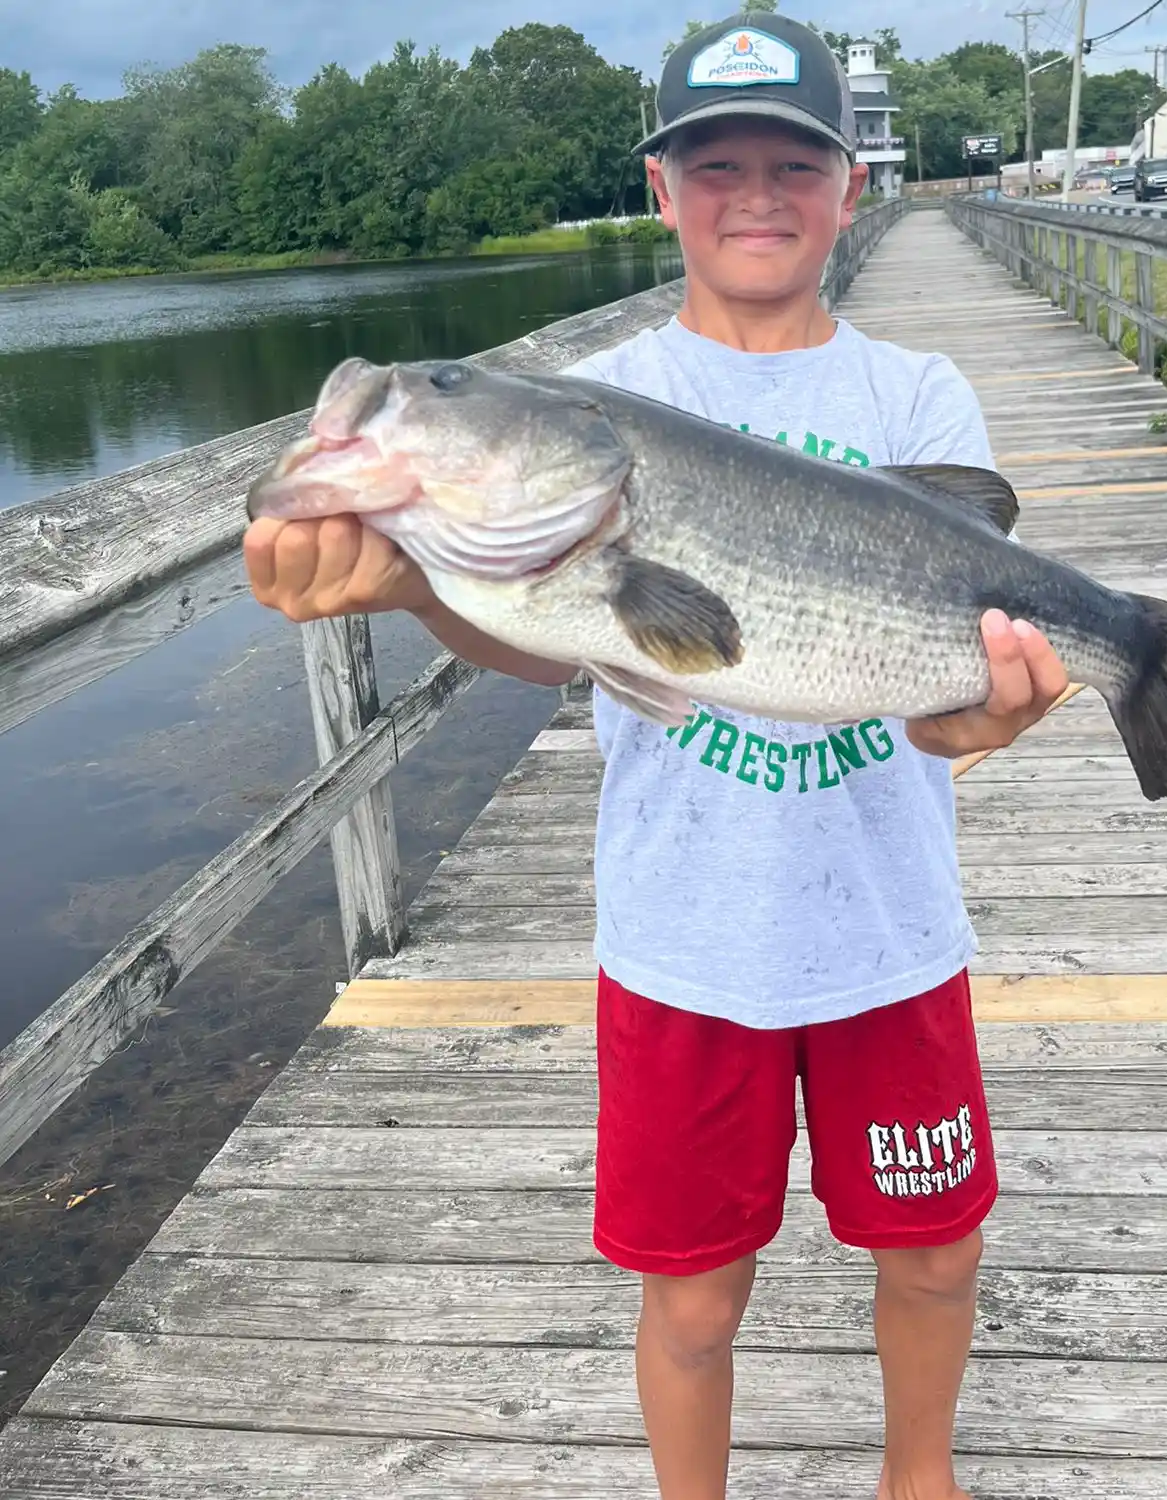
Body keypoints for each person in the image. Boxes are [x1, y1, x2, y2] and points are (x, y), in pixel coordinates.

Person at [243, 14, 1069, 1499]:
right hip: (685, 944)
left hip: (892, 933)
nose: (756, 194)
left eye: (792, 165)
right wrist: (420, 582)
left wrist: (987, 715)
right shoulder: (608, 389)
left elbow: (950, 712)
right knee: (692, 1292)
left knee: (936, 1250)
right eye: (717, 166)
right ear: (662, 187)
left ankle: (920, 1478)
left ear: (852, 188)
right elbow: (570, 637)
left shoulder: (916, 396)